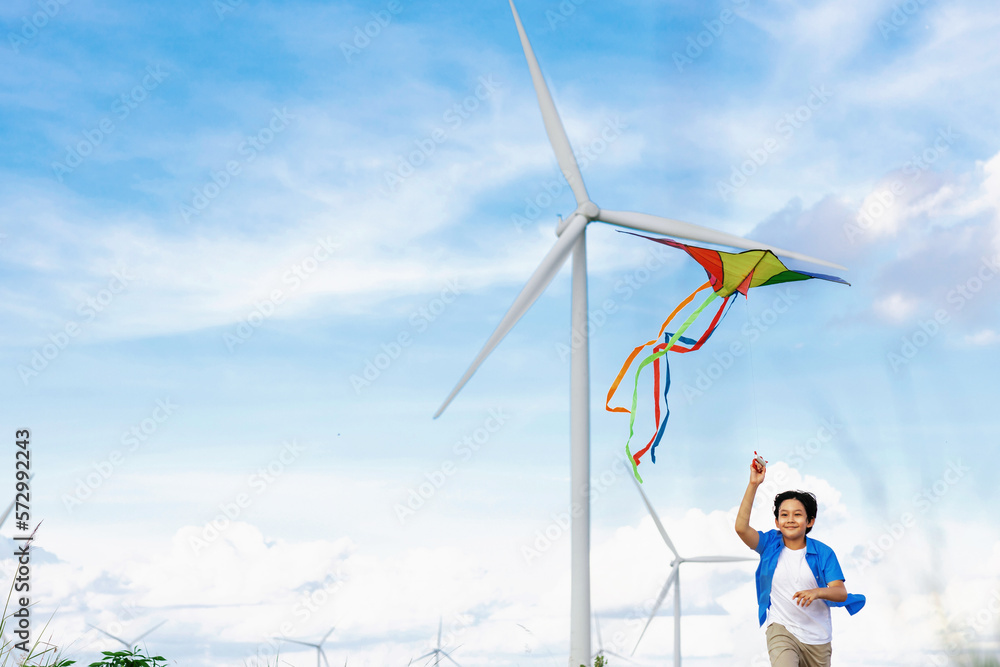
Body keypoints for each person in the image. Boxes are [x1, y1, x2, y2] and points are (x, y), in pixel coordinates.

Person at [735, 456, 865, 666]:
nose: (790, 519)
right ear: (777, 521)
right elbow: (741, 528)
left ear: (810, 521)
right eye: (784, 514)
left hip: (818, 639)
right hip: (781, 629)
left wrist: (817, 592)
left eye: (797, 514)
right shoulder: (769, 544)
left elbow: (840, 593)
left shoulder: (823, 553)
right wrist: (753, 484)